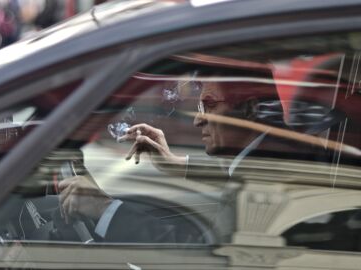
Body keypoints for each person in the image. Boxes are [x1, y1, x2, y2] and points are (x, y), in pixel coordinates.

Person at [57, 64, 321, 243]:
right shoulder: (273, 151)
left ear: (250, 110)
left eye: (209, 105)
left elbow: (195, 252)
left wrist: (105, 210)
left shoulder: (270, 178)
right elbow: (235, 173)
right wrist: (177, 164)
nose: (198, 121)